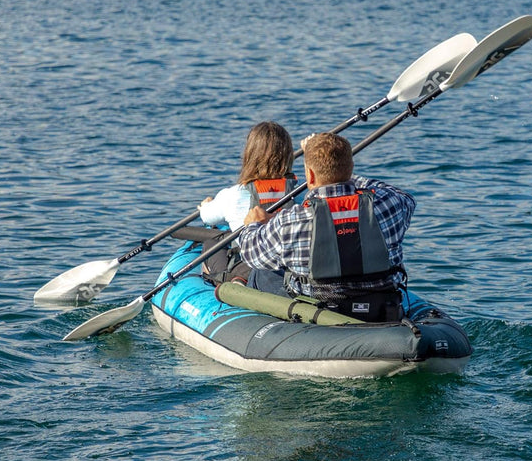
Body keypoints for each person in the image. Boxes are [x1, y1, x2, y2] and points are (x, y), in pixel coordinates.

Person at [238, 132, 415, 321]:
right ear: (350, 168)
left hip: (320, 313)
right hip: (379, 307)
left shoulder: (289, 221)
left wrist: (253, 225)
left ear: (310, 175)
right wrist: (342, 171)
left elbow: (250, 254)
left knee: (261, 273)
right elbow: (401, 195)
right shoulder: (390, 205)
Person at [175, 121, 297, 283]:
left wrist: (206, 205)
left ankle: (221, 283)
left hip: (249, 265)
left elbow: (207, 217)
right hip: (288, 265)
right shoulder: (298, 192)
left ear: (249, 156)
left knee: (211, 244)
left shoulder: (233, 195)